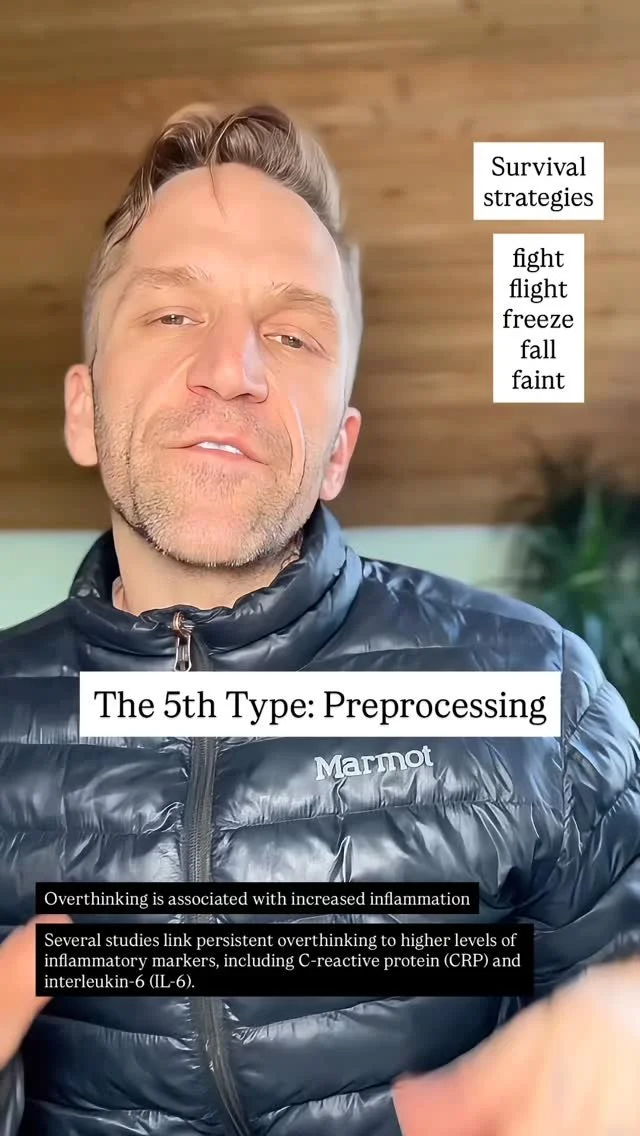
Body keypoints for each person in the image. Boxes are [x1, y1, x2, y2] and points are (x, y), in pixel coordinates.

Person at [0, 102, 638, 1136]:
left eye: (291, 334)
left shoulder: (542, 701)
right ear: (84, 410)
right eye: (173, 315)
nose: (233, 370)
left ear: (337, 449)